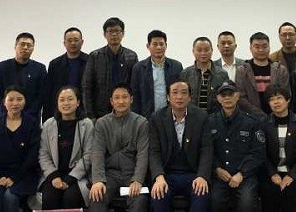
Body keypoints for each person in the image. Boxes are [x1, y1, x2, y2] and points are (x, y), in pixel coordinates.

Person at [149, 80, 213, 212]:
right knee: (158, 195)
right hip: (167, 174)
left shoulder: (201, 116)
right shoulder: (157, 118)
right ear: (168, 97)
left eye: (184, 93)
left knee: (202, 195)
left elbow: (206, 149)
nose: (179, 97)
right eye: (175, 93)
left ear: (190, 97)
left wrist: (202, 176)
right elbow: (154, 151)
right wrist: (159, 177)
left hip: (193, 174)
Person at [0, 86, 41, 212]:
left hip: (23, 175)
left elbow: (32, 157)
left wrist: (15, 178)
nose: (15, 103)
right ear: (4, 102)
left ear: (25, 101)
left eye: (19, 99)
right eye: (11, 100)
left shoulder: (32, 124)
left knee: (10, 197)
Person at [89, 83, 148, 212]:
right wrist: (98, 180)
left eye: (125, 97)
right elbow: (97, 153)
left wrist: (137, 180)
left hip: (131, 174)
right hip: (109, 175)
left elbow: (143, 154)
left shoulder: (141, 123)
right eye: (117, 98)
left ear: (131, 99)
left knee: (140, 200)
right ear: (111, 101)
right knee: (96, 198)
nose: (121, 101)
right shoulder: (101, 123)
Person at [209, 80, 264, 212]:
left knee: (247, 204)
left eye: (231, 94)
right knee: (214, 202)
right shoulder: (209, 122)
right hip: (219, 175)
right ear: (218, 98)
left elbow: (258, 153)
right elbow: (206, 151)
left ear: (237, 96)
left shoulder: (252, 122)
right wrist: (216, 169)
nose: (227, 98)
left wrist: (242, 174)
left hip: (245, 176)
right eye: (223, 95)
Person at [39, 86, 94, 210]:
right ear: (57, 103)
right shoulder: (48, 124)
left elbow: (89, 155)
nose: (66, 103)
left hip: (77, 176)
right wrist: (53, 176)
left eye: (70, 99)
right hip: (53, 175)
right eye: (62, 100)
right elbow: (43, 154)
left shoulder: (87, 124)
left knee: (71, 197)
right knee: (49, 197)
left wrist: (70, 178)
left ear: (78, 102)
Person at [259, 85, 296, 212]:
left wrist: (292, 175)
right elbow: (261, 152)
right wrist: (272, 173)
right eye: (271, 99)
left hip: (294, 172)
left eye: (279, 98)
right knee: (269, 195)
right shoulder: (263, 123)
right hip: (271, 172)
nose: (275, 102)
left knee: (292, 196)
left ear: (288, 100)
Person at [82, 17, 139, 119]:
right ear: (105, 34)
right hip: (100, 112)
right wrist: (90, 115)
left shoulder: (131, 56)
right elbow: (87, 86)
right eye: (110, 31)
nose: (114, 34)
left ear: (123, 33)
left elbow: (134, 86)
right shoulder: (95, 56)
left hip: (125, 110)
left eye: (117, 31)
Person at [0, 32, 47, 120]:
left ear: (33, 48)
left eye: (29, 45)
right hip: (5, 118)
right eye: (22, 44)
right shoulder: (2, 67)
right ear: (15, 46)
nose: (25, 47)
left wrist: (27, 116)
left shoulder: (40, 69)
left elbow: (41, 95)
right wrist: (7, 113)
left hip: (31, 119)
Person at [131, 30, 183, 119]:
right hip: (146, 116)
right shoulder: (139, 68)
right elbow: (135, 96)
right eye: (155, 44)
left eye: (161, 44)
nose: (159, 47)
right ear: (148, 46)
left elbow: (180, 92)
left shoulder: (176, 66)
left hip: (171, 116)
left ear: (166, 45)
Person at [235, 32, 289, 118]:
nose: (261, 50)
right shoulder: (242, 70)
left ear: (269, 47)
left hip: (277, 116)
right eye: (257, 47)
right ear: (250, 48)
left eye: (264, 46)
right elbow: (240, 97)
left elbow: (286, 94)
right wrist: (260, 114)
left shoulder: (280, 70)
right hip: (251, 118)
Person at [43, 27, 88, 122]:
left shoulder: (90, 61)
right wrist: (46, 119)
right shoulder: (55, 64)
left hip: (84, 112)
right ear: (64, 43)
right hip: (60, 113)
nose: (73, 43)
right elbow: (49, 93)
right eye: (69, 40)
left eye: (76, 40)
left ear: (82, 42)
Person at [179, 36, 228, 113]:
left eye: (206, 50)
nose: (203, 53)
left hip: (215, 117)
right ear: (193, 51)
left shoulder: (222, 74)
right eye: (199, 50)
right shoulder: (186, 74)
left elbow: (225, 98)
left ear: (212, 50)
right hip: (192, 116)